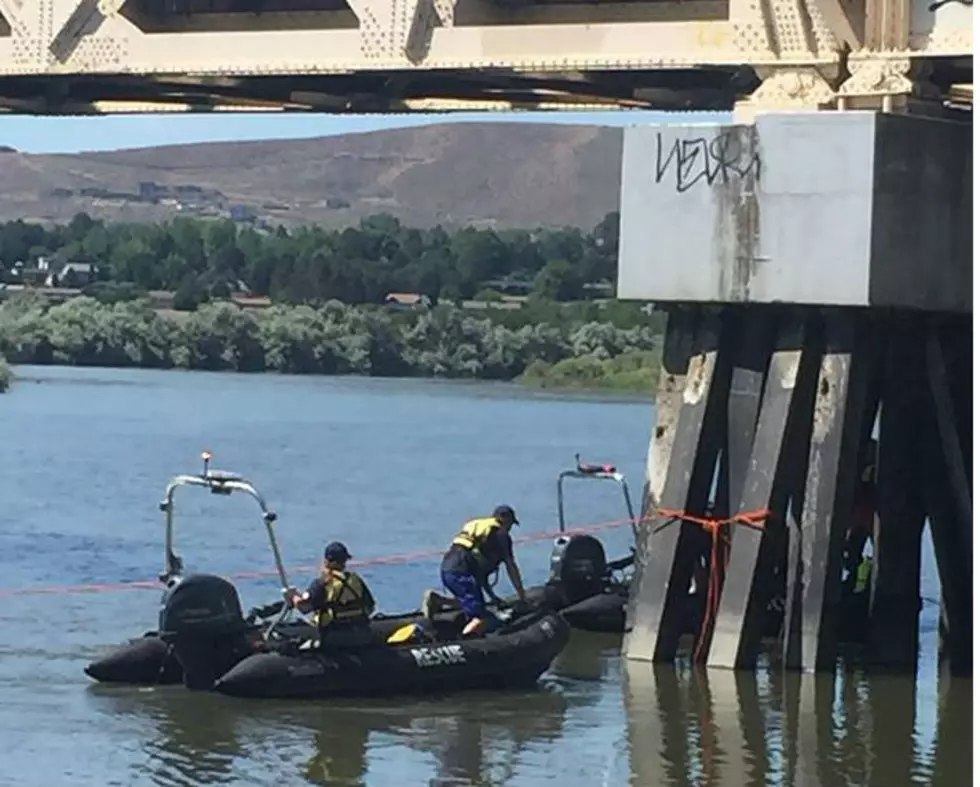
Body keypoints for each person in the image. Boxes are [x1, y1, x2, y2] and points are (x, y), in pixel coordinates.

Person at [433, 505, 528, 637]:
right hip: (461, 570)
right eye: (510, 523)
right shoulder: (500, 535)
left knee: (468, 600)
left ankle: (438, 600)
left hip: (447, 566)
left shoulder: (480, 533)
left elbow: (480, 577)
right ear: (504, 519)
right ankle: (465, 644)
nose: (510, 528)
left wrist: (493, 597)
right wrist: (522, 596)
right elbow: (511, 567)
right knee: (480, 618)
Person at [289, 541, 376, 645]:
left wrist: (293, 597)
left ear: (326, 561)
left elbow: (304, 608)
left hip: (333, 637)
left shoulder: (323, 583)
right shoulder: (355, 580)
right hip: (359, 634)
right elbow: (370, 607)